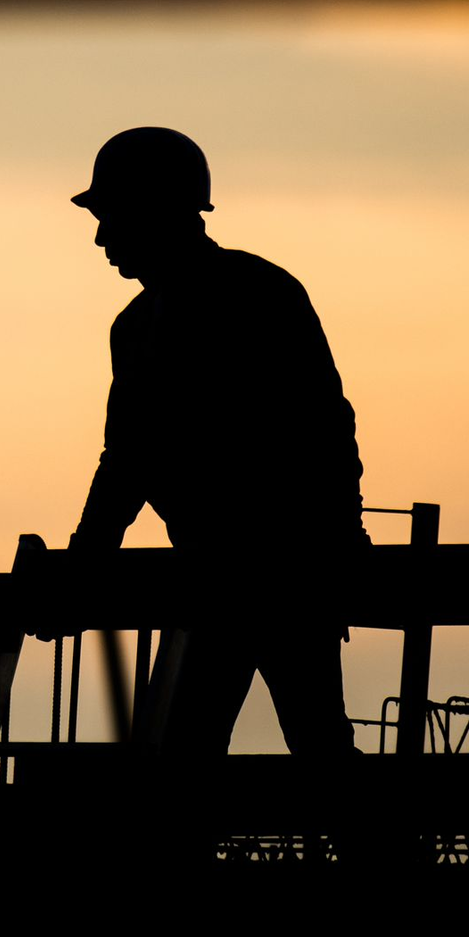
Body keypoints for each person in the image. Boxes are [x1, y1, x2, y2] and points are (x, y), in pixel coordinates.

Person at [69, 127, 369, 757]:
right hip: (219, 581)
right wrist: (83, 562)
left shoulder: (256, 295)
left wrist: (335, 542)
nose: (100, 239)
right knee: (185, 757)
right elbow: (128, 459)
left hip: (284, 576)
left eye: (111, 218)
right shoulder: (139, 326)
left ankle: (372, 857)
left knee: (303, 748)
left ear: (156, 211)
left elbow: (321, 428)